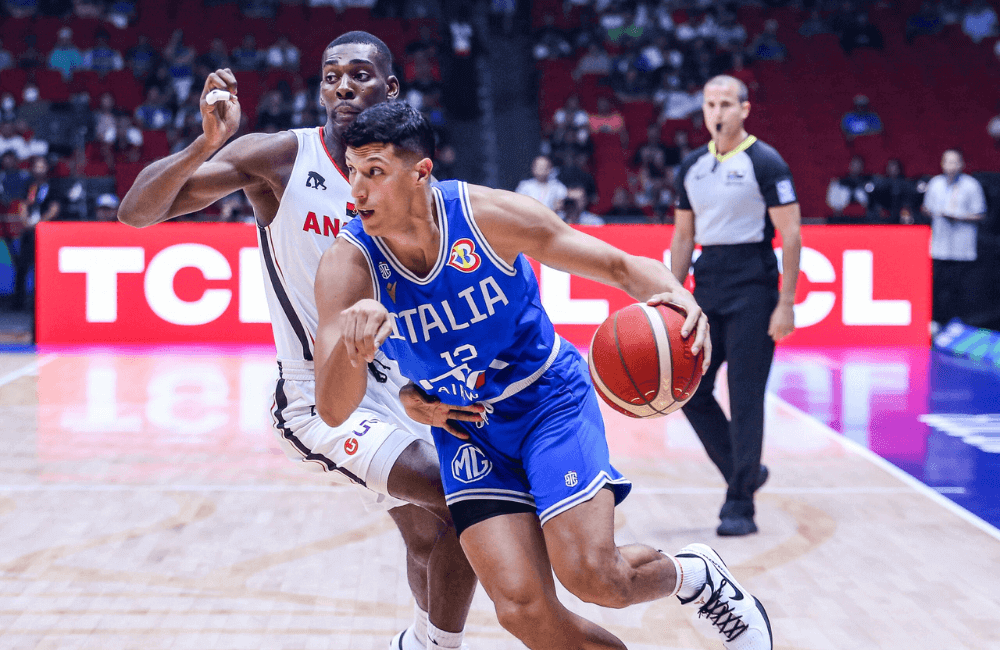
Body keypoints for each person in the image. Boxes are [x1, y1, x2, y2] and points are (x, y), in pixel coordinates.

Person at [316, 100, 774, 650]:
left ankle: (693, 577)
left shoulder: (489, 218)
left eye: (374, 173)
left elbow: (619, 266)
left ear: (420, 173)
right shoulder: (349, 264)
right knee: (521, 611)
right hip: (465, 430)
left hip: (545, 402)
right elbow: (333, 410)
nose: (356, 191)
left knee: (595, 578)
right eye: (351, 172)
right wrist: (352, 346)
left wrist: (676, 296)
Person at [117, 31, 478, 650]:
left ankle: (422, 641)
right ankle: (432, 646)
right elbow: (136, 212)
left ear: (390, 89)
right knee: (459, 496)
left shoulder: (407, 179)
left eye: (359, 75)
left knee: (431, 535)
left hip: (405, 389)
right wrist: (208, 143)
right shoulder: (281, 158)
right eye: (331, 74)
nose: (342, 85)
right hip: (318, 399)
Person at [671, 75, 801, 536]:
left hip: (754, 286)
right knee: (687, 389)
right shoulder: (691, 166)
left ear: (745, 109)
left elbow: (791, 234)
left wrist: (785, 303)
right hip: (708, 285)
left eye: (727, 103)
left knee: (745, 398)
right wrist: (675, 293)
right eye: (710, 103)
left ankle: (739, 504)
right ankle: (742, 470)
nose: (718, 111)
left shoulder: (765, 161)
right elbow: (684, 236)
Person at [921, 148, 986, 330]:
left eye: (954, 161)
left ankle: (959, 324)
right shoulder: (935, 184)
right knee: (938, 287)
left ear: (962, 164)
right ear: (942, 164)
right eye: (947, 161)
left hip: (962, 248)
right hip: (940, 246)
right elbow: (926, 209)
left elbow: (980, 214)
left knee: (959, 289)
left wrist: (959, 217)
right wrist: (932, 213)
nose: (950, 166)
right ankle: (937, 322)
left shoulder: (972, 186)